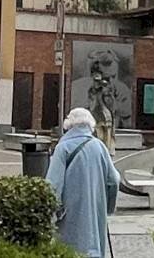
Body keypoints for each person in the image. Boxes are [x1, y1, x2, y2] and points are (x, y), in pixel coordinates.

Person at [45, 107, 120, 258]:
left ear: (69, 126)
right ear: (90, 126)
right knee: (93, 248)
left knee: (71, 249)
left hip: (70, 213)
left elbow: (53, 185)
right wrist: (108, 208)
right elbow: (114, 179)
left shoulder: (62, 148)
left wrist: (51, 214)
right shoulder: (100, 147)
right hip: (96, 210)